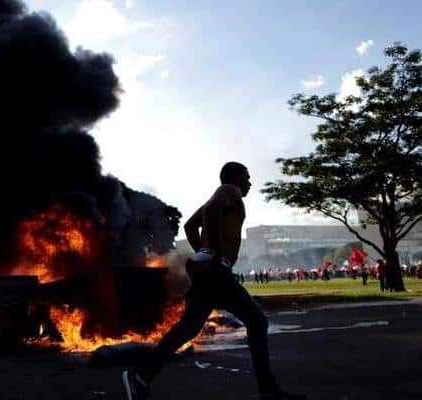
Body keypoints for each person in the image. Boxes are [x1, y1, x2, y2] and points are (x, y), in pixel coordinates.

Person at [121, 162, 304, 400]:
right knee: (257, 321)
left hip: (205, 269)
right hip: (214, 270)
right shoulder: (230, 191)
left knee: (187, 329)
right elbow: (213, 210)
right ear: (235, 177)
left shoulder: (218, 198)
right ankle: (269, 391)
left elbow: (189, 226)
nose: (249, 183)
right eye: (246, 177)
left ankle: (142, 375)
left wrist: (204, 254)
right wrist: (215, 254)